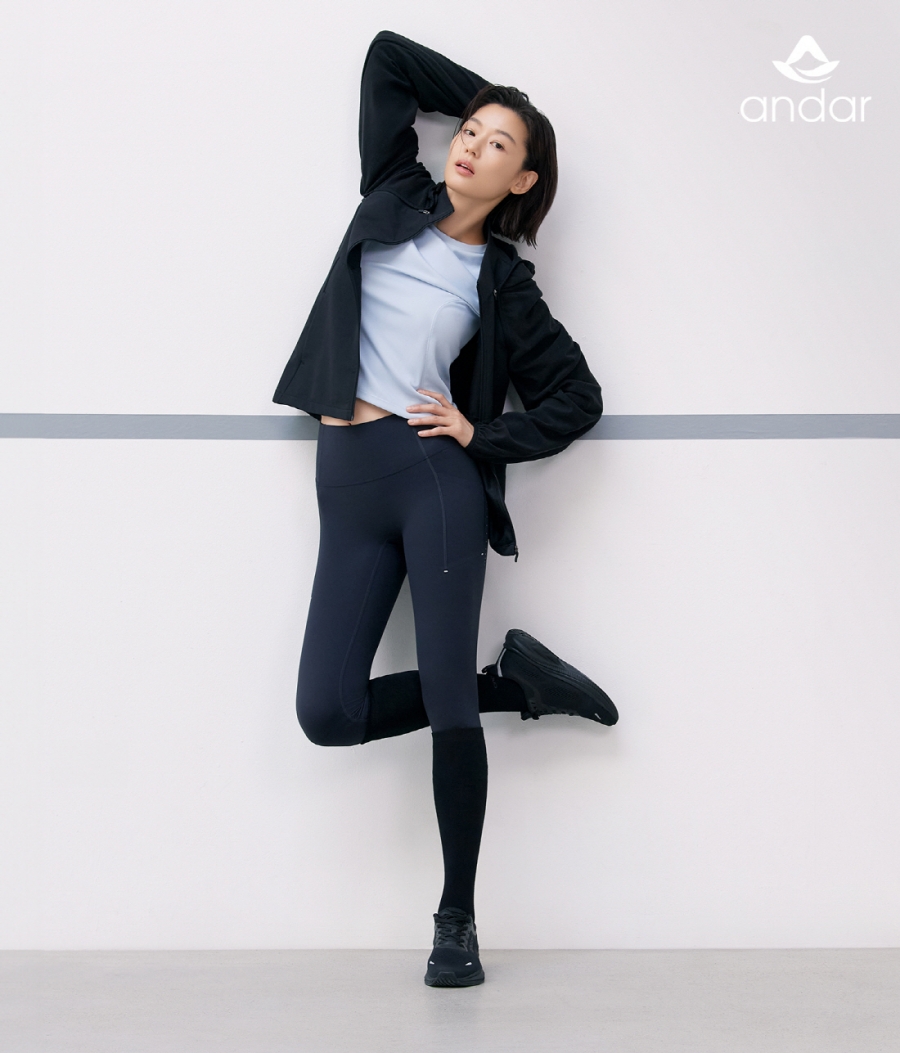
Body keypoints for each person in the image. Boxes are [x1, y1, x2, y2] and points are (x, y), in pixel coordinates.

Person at [273, 30, 618, 988]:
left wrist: (481, 433)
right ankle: (514, 684)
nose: (470, 145)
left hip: (431, 477)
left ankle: (456, 921)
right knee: (327, 711)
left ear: (522, 181)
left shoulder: (499, 280)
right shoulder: (394, 190)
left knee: (443, 700)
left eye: (498, 144)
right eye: (469, 130)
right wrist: (504, 99)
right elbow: (388, 57)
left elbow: (578, 398)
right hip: (345, 477)